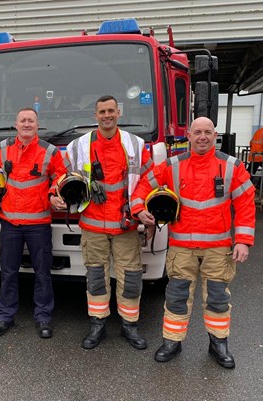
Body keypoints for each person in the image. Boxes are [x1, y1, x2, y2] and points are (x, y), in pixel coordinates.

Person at [132, 116, 256, 369]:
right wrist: (138, 209)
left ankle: (218, 344)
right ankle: (172, 342)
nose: (202, 137)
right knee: (177, 297)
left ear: (215, 135)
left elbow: (245, 204)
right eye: (197, 132)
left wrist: (243, 241)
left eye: (207, 132)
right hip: (182, 248)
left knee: (218, 299)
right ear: (188, 135)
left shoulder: (232, 167)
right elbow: (144, 185)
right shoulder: (173, 165)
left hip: (218, 248)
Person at [65, 95, 154, 350]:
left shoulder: (135, 144)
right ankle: (98, 323)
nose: (107, 115)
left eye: (111, 111)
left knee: (131, 277)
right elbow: (62, 177)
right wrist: (55, 195)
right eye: (102, 111)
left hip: (124, 224)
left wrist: (138, 206)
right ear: (95, 115)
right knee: (95, 276)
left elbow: (150, 177)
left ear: (119, 113)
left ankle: (129, 325)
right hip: (92, 224)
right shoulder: (78, 146)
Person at [0, 107, 68, 339]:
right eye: (23, 121)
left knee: (43, 273)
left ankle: (43, 317)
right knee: (7, 273)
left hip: (39, 223)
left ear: (37, 125)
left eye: (31, 121)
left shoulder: (50, 151)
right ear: (16, 125)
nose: (27, 124)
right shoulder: (3, 148)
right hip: (10, 223)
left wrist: (54, 192)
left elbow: (61, 176)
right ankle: (5, 316)